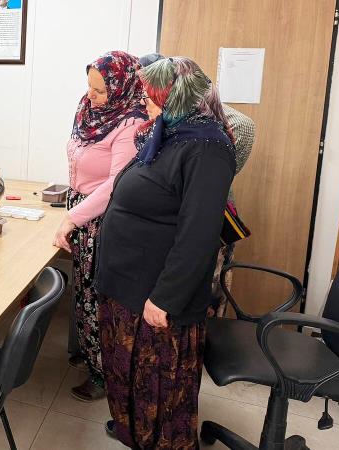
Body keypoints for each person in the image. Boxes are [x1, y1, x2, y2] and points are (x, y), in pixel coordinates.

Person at [95, 57, 236, 449]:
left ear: (180, 97)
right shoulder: (171, 132)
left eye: (153, 96)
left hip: (156, 299)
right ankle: (134, 436)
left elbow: (199, 235)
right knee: (131, 383)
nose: (145, 103)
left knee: (158, 390)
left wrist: (165, 298)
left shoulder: (208, 147)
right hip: (128, 287)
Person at [52, 51, 146, 403]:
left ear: (123, 86)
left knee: (96, 299)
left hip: (103, 219)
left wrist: (72, 217)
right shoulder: (88, 109)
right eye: (89, 86)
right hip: (80, 208)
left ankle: (103, 374)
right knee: (82, 294)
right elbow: (79, 154)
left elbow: (114, 185)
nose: (92, 96)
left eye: (101, 90)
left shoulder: (131, 120)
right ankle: (91, 355)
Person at [140, 53, 256, 317]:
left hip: (207, 213)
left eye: (148, 91)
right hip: (168, 220)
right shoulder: (153, 112)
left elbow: (242, 131)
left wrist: (199, 176)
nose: (143, 97)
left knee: (204, 296)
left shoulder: (211, 118)